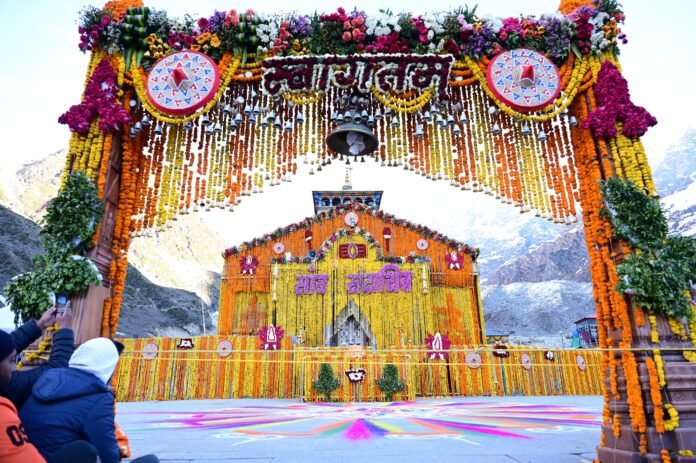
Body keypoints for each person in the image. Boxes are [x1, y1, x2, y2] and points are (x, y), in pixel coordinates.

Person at [20, 337, 159, 463]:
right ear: (108, 366)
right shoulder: (98, 398)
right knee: (150, 461)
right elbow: (108, 454)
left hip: (30, 458)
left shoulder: (47, 379)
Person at [0, 329, 98, 463]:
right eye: (12, 361)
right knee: (84, 451)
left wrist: (37, 326)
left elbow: (4, 346)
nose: (14, 368)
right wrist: (63, 329)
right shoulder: (3, 413)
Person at [8, 305, 75, 409]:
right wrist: (64, 329)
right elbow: (57, 371)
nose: (14, 360)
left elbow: (6, 344)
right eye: (11, 360)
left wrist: (40, 324)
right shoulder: (9, 386)